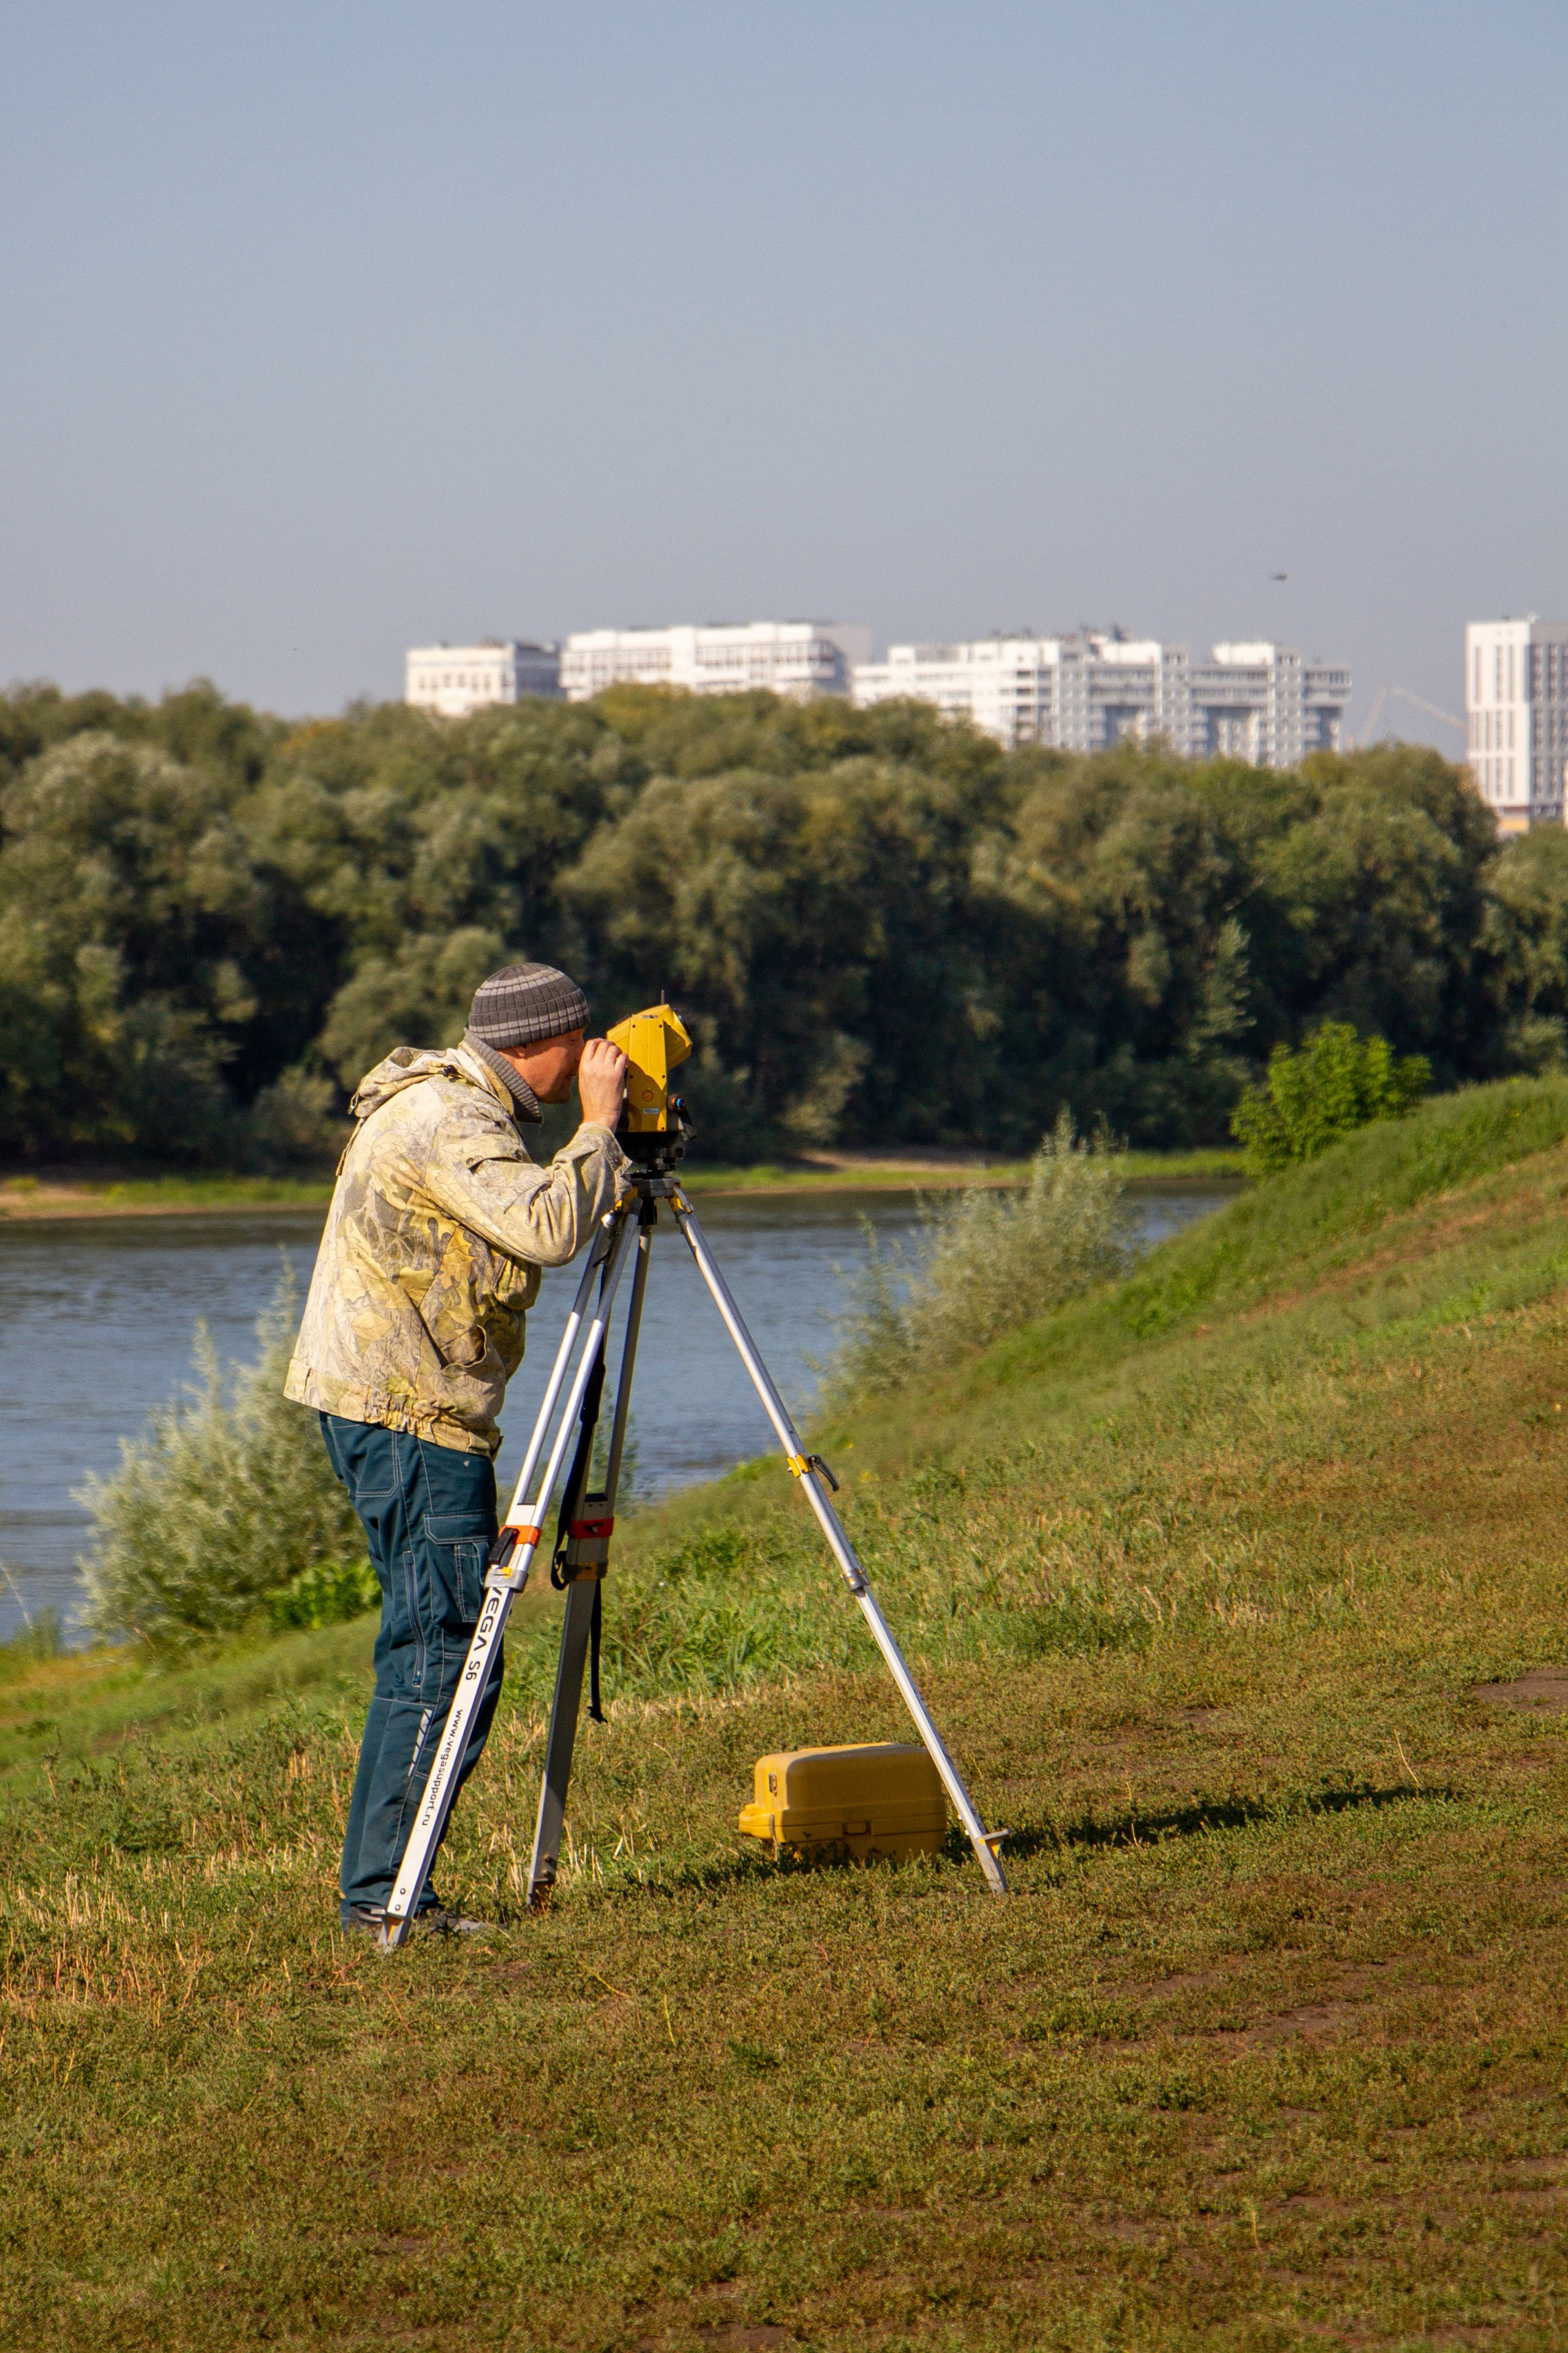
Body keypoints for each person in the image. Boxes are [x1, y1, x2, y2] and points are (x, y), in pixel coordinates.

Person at [284, 961, 628, 1938]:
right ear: (538, 1042)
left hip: (393, 1403)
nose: (591, 1055)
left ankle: (384, 1889)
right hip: (408, 1415)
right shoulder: (451, 1118)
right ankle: (383, 1899)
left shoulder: (452, 1103)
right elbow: (550, 1227)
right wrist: (600, 1126)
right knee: (442, 1647)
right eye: (581, 1040)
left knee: (435, 1639)